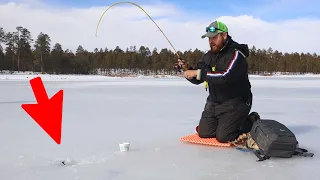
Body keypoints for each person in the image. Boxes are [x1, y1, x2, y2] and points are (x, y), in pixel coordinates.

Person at [175, 20, 260, 143]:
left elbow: (225, 76)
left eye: (214, 37)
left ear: (224, 35)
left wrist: (198, 73)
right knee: (204, 133)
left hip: (236, 103)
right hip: (214, 103)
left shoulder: (236, 55)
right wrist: (188, 70)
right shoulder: (208, 56)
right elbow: (200, 78)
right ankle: (226, 123)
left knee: (224, 137)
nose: (211, 41)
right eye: (209, 38)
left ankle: (251, 120)